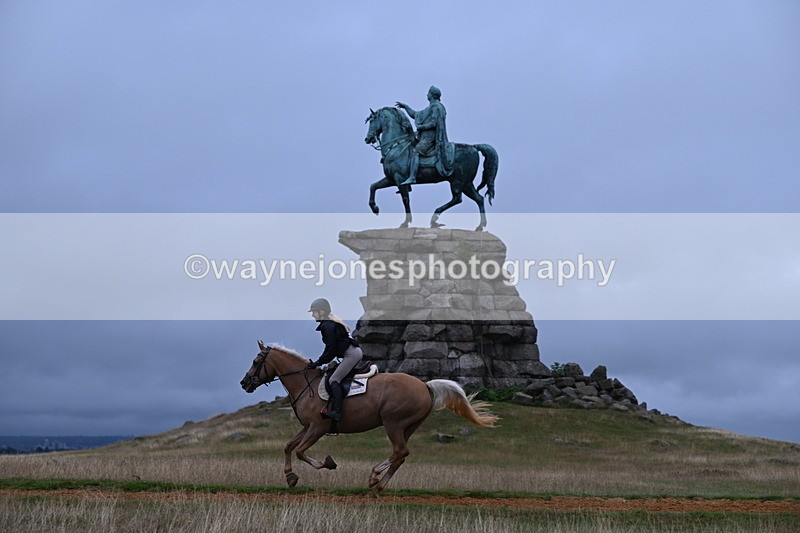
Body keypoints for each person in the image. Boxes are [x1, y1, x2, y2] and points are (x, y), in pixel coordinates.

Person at [306, 298, 362, 422]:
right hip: (353, 352)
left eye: (314, 312)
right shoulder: (329, 323)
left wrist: (318, 362)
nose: (312, 315)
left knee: (333, 379)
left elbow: (330, 349)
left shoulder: (328, 326)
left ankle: (337, 412)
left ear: (321, 312)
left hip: (351, 354)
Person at [395, 85, 455, 185]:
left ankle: (413, 177)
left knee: (415, 151)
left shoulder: (437, 107)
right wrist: (405, 107)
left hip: (431, 138)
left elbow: (434, 123)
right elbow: (415, 114)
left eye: (428, 93)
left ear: (432, 95)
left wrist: (421, 127)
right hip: (424, 137)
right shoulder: (430, 108)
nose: (426, 94)